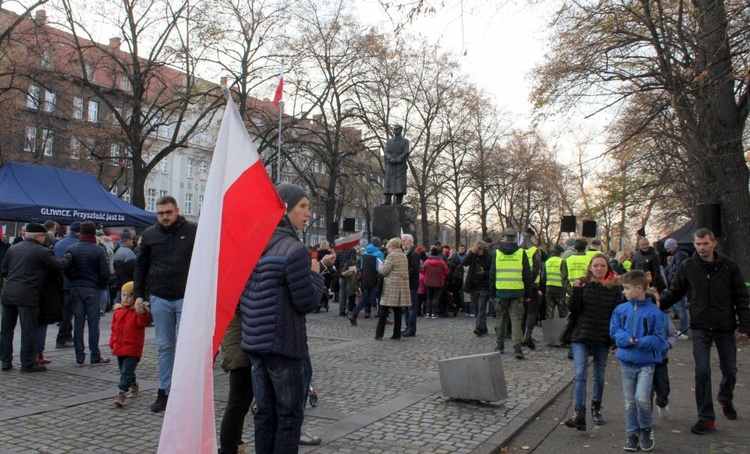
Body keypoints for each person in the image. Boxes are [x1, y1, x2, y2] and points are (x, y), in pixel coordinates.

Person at [240, 183, 333, 453]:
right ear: (285, 209)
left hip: (256, 343)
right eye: (302, 206)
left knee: (265, 413)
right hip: (283, 345)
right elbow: (306, 301)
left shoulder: (256, 244)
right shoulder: (294, 250)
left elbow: (242, 299)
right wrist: (316, 273)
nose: (308, 213)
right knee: (289, 416)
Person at [659, 228, 750, 435]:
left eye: (705, 244)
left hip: (725, 326)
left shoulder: (729, 266)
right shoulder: (688, 266)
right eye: (698, 244)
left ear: (713, 243)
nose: (701, 248)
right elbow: (675, 291)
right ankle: (706, 418)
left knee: (730, 370)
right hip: (700, 327)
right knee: (702, 371)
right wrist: (656, 303)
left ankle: (725, 398)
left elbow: (741, 297)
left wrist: (745, 326)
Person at [133, 195, 197, 412]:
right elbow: (141, 267)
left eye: (168, 212)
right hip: (160, 297)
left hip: (186, 297)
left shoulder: (193, 231)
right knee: (164, 346)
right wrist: (139, 295)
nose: (165, 217)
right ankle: (165, 390)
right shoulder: (150, 235)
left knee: (186, 347)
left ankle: (185, 391)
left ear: (177, 210)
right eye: (160, 213)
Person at [1, 223, 71, 372]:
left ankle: (5, 361)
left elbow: (4, 270)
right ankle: (27, 363)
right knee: (28, 330)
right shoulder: (41, 251)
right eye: (44, 236)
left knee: (6, 330)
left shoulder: (13, 249)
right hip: (28, 295)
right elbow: (58, 266)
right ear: (39, 236)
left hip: (8, 294)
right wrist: (68, 258)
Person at [610, 270, 667, 452]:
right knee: (629, 401)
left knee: (642, 398)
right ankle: (632, 434)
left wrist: (641, 342)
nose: (624, 292)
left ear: (639, 288)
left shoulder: (654, 313)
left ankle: (646, 429)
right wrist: (625, 339)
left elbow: (659, 339)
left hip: (646, 363)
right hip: (627, 361)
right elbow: (614, 331)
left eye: (627, 288)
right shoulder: (621, 309)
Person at [564, 253, 622, 431]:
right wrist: (576, 291)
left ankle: (596, 407)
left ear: (607, 269)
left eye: (602, 266)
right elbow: (572, 308)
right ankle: (579, 412)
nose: (599, 269)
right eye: (596, 265)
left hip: (603, 337)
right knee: (580, 373)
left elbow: (616, 316)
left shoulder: (614, 288)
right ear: (590, 267)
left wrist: (615, 341)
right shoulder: (582, 284)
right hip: (581, 334)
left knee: (600, 374)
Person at [66, 221, 111, 366]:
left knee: (78, 323)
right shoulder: (98, 250)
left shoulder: (71, 249)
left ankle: (79, 355)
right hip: (92, 288)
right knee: (93, 323)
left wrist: (73, 279)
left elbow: (65, 267)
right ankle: (95, 355)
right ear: (94, 233)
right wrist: (101, 285)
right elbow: (105, 272)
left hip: (76, 287)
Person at [489, 228, 531, 359]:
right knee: (516, 320)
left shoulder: (497, 253)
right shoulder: (521, 253)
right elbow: (527, 275)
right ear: (514, 238)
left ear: (505, 237)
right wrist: (528, 293)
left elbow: (492, 274)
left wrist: (492, 293)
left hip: (501, 292)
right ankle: (517, 348)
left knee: (501, 319)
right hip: (517, 292)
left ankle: (499, 345)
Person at [218, 309, 253, 454]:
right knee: (238, 401)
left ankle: (234, 445)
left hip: (239, 338)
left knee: (241, 401)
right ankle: (229, 448)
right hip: (239, 341)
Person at [110, 281, 150, 408]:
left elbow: (143, 322)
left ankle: (121, 393)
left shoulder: (137, 312)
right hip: (120, 347)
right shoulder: (118, 312)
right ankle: (134, 384)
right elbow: (114, 329)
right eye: (124, 295)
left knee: (126, 371)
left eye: (129, 295)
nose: (126, 298)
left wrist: (142, 312)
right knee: (125, 370)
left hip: (133, 348)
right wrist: (112, 344)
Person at [374, 237, 410, 340]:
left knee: (383, 311)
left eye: (388, 247)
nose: (387, 250)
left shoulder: (391, 256)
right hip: (400, 287)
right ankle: (396, 334)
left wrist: (381, 265)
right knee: (398, 311)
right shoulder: (404, 256)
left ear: (392, 247)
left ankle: (379, 334)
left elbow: (384, 271)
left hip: (391, 287)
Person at [53, 221, 81, 349]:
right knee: (68, 311)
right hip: (72, 281)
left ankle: (67, 335)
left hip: (60, 281)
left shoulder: (58, 243)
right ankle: (62, 338)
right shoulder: (78, 244)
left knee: (65, 310)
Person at [463, 240, 491, 336]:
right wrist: (471, 253)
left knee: (482, 308)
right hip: (473, 286)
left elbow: (492, 271)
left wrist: (484, 273)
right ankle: (483, 328)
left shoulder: (489, 256)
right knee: (476, 308)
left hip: (484, 286)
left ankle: (478, 327)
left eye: (478, 250)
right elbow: (464, 263)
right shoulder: (473, 255)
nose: (477, 252)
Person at [663, 238, 689, 338]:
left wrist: (674, 282)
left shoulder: (679, 255)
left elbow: (677, 270)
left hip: (678, 287)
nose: (667, 251)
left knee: (680, 308)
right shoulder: (681, 254)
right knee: (680, 308)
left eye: (668, 248)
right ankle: (683, 330)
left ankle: (683, 331)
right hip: (678, 285)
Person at [383, 124, 410, 205]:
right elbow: (386, 152)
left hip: (400, 165)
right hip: (390, 165)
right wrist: (391, 159)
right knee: (388, 182)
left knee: (400, 184)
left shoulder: (405, 141)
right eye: (394, 129)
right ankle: (387, 201)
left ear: (401, 130)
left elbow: (406, 152)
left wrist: (398, 160)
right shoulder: (389, 141)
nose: (395, 131)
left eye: (397, 129)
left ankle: (398, 202)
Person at [401, 233, 421, 337]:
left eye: (404, 241)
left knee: (412, 308)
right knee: (406, 308)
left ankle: (412, 328)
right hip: (407, 284)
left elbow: (413, 270)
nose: (403, 242)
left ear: (410, 241)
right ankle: (408, 326)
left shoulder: (414, 254)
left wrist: (404, 273)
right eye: (402, 241)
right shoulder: (407, 253)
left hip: (412, 284)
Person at [422, 247, 449, 319]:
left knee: (429, 298)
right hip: (439, 282)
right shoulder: (442, 262)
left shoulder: (427, 262)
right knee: (436, 298)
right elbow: (447, 272)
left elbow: (423, 271)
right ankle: (434, 313)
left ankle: (428, 313)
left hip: (428, 282)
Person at [544, 244, 569, 319]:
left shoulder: (547, 261)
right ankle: (563, 329)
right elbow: (564, 276)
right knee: (563, 312)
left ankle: (549, 329)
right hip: (560, 289)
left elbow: (543, 277)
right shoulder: (562, 261)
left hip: (549, 288)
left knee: (549, 311)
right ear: (560, 253)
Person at [113, 231, 136, 304]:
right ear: (127, 240)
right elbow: (132, 270)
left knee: (119, 301)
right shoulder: (129, 253)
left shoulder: (118, 252)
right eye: (131, 239)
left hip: (119, 283)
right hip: (128, 284)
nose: (132, 241)